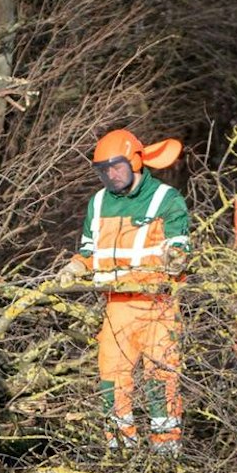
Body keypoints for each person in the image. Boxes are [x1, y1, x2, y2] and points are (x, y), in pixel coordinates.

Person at [56, 129, 191, 453]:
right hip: (116, 305)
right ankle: (119, 455)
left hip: (157, 306)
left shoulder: (165, 199)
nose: (110, 175)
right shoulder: (99, 202)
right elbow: (88, 250)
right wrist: (75, 266)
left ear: (134, 162)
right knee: (112, 380)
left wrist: (176, 259)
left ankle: (165, 454)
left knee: (162, 380)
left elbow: (178, 245)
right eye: (103, 169)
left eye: (115, 167)